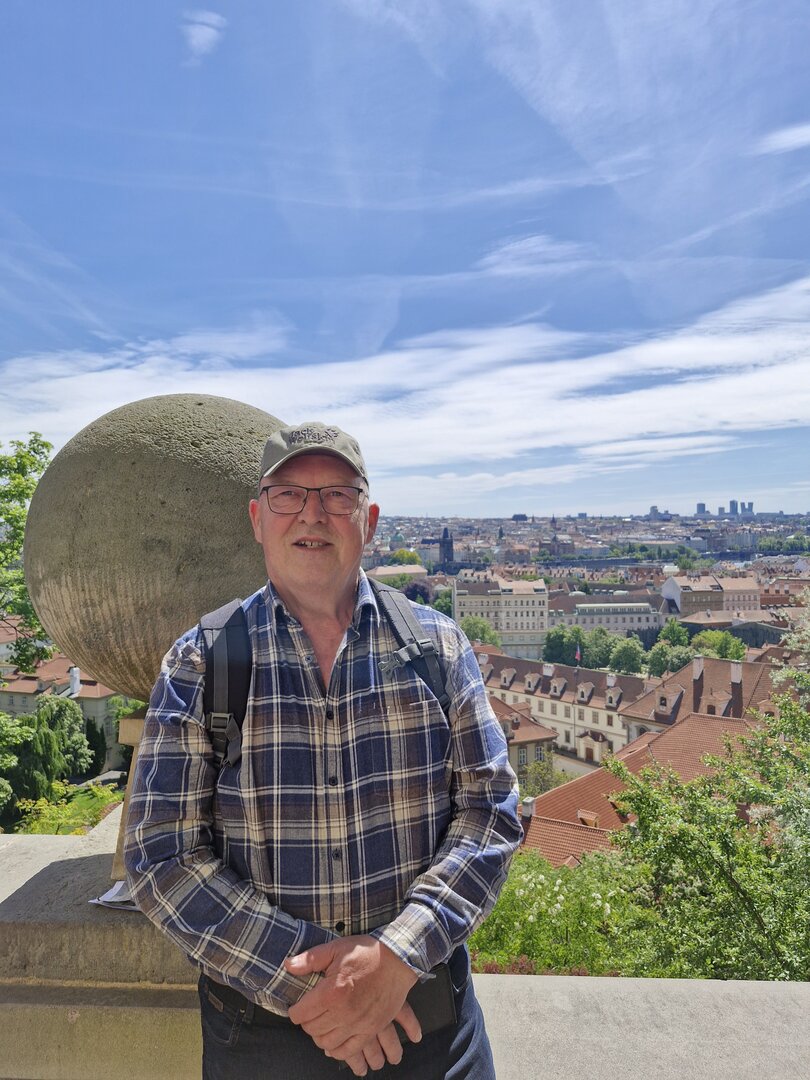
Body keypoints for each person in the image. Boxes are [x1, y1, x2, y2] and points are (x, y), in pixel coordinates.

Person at [125, 421, 521, 1079]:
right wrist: (323, 986)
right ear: (258, 519)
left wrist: (396, 956)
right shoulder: (202, 661)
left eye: (337, 495)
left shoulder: (437, 646)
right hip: (265, 1040)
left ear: (369, 520)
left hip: (431, 1022)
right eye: (288, 495)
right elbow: (160, 855)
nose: (312, 514)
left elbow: (492, 814)